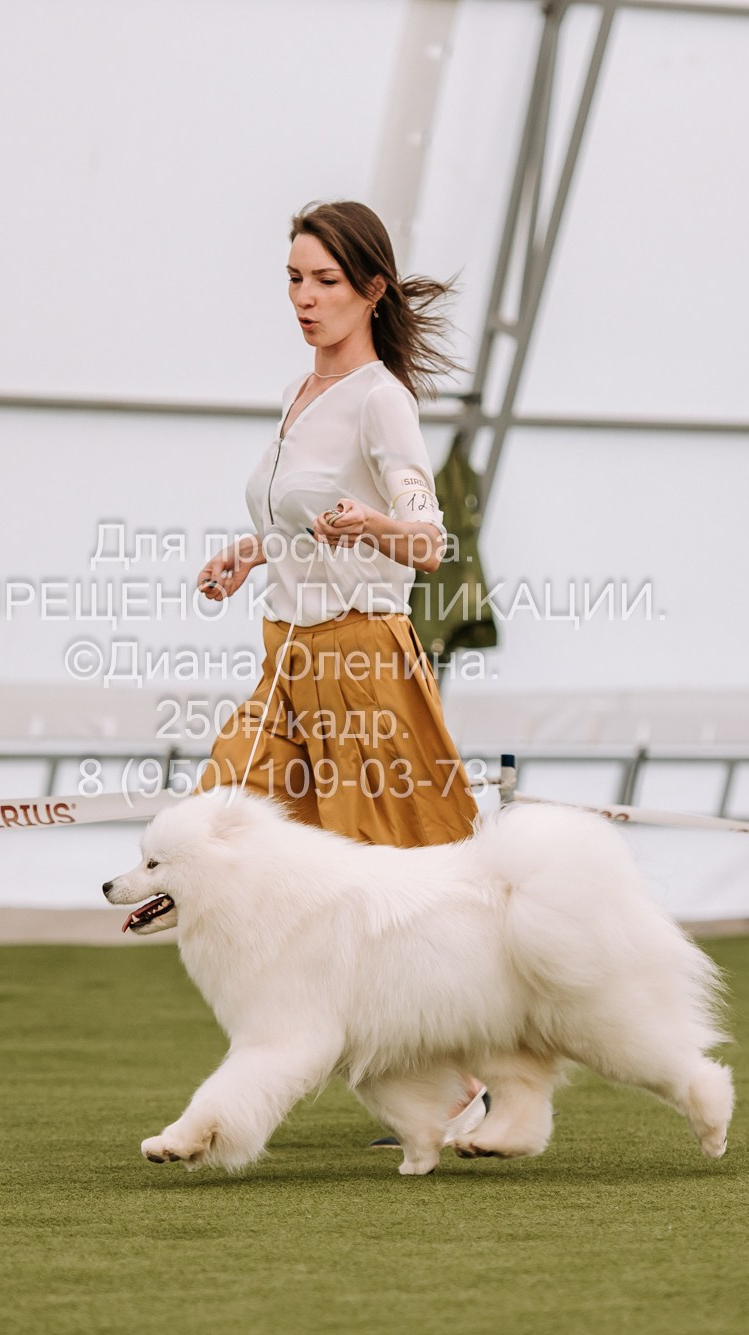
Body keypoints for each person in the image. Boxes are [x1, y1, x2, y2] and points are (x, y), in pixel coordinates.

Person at [190, 199, 487, 1141]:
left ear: (372, 290)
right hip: (285, 661)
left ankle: (459, 1080)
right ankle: (311, 1035)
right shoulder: (299, 392)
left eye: (324, 280)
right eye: (293, 278)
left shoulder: (380, 398)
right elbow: (297, 518)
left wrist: (375, 527)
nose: (304, 297)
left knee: (379, 881)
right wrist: (249, 554)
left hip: (362, 662)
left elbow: (427, 541)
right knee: (217, 828)